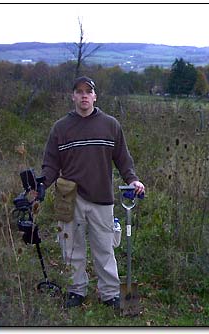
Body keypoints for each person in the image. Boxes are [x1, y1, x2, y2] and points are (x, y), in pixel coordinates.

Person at [40, 76, 145, 309]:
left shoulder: (110, 125)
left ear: (95, 96)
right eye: (79, 92)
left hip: (101, 197)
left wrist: (134, 180)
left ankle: (110, 294)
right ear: (73, 96)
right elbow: (50, 165)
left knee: (105, 249)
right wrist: (40, 186)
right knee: (71, 248)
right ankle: (75, 290)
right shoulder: (61, 128)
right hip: (69, 197)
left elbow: (123, 159)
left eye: (88, 91)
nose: (84, 95)